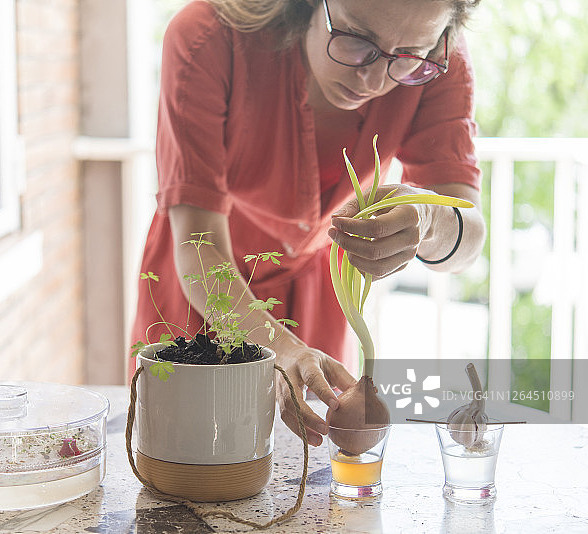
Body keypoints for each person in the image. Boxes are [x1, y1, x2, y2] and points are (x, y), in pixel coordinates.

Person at [130, 0, 485, 447]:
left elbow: (468, 236)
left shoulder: (437, 57)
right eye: (357, 41)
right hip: (204, 283)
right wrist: (279, 347)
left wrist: (432, 220)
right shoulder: (207, 36)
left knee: (310, 482)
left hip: (314, 298)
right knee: (185, 462)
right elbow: (198, 246)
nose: (375, 82)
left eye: (407, 56)